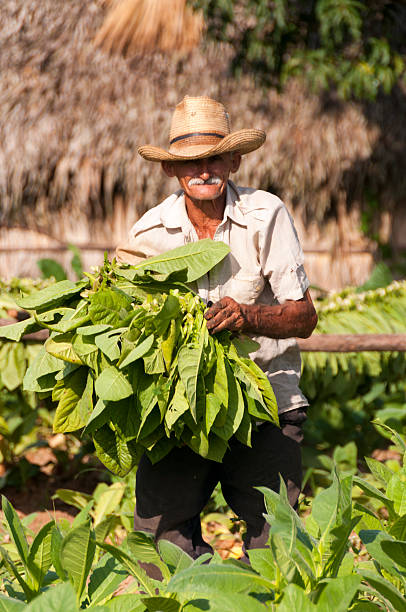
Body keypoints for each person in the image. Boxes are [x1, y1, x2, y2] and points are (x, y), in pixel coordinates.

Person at [116, 95, 318, 560]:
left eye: (213, 158)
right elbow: (121, 302)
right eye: (189, 162)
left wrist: (247, 316)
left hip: (266, 398)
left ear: (234, 159)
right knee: (161, 542)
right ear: (171, 170)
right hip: (180, 407)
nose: (202, 170)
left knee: (276, 541)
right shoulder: (149, 233)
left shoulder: (265, 214)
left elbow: (304, 317)